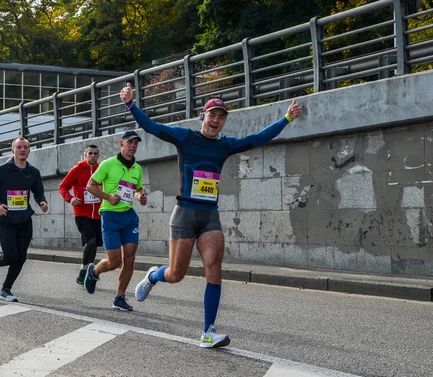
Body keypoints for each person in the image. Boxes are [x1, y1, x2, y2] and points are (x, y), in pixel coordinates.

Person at [123, 83, 302, 348]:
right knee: (176, 274)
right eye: (212, 115)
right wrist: (130, 104)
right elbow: (153, 127)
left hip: (209, 216)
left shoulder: (225, 146)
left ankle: (208, 331)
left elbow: (257, 138)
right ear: (202, 117)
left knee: (214, 268)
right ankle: (152, 276)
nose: (216, 120)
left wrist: (286, 118)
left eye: (221, 117)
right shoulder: (186, 137)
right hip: (184, 212)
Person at [82, 130, 148, 311]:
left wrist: (140, 196)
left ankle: (119, 297)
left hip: (129, 216)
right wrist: (108, 197)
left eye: (136, 143)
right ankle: (94, 271)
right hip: (110, 215)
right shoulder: (108, 164)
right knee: (114, 261)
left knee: (130, 258)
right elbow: (90, 186)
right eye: (130, 142)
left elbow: (137, 189)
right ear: (121, 144)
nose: (133, 146)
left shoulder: (138, 169)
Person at [0, 137, 48, 302]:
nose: (22, 150)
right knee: (10, 256)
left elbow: (38, 191)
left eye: (25, 147)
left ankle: (6, 290)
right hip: (6, 219)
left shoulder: (33, 172)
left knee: (21, 257)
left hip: (25, 220)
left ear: (29, 151)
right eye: (19, 147)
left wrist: (42, 202)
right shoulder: (3, 170)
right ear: (13, 150)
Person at [58, 144, 103, 287]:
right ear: (85, 155)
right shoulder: (77, 170)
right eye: (90, 153)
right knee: (91, 240)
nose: (93, 156)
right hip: (82, 213)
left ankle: (88, 270)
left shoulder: (102, 169)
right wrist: (70, 199)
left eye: (95, 154)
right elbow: (62, 187)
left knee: (95, 243)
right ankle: (84, 270)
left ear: (98, 156)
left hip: (98, 213)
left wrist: (104, 189)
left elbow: (112, 186)